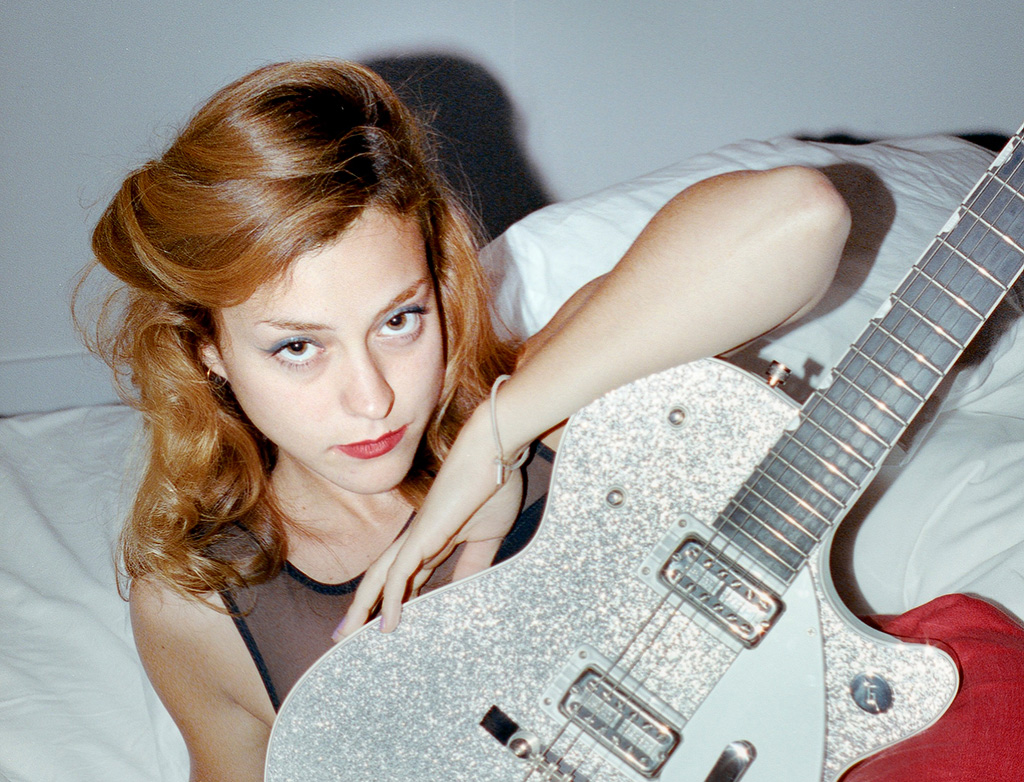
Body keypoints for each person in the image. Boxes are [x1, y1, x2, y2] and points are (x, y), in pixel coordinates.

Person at [81, 59, 849, 781]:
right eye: (298, 347)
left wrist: (494, 439)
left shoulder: (549, 401)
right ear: (208, 350)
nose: (372, 398)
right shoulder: (204, 608)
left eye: (399, 320)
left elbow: (803, 215)